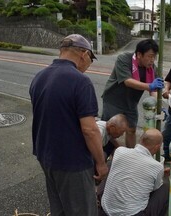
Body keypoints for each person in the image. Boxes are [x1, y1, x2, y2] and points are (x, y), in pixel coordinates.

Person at [29, 34, 108, 216]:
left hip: (45, 156)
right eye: (91, 59)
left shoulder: (39, 77)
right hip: (72, 162)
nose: (89, 64)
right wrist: (101, 164)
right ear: (84, 54)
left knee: (59, 208)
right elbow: (89, 130)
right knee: (82, 210)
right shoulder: (81, 82)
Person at [101, 39, 164, 148]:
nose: (152, 60)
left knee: (131, 129)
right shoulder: (124, 59)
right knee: (110, 129)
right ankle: (110, 152)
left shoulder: (152, 68)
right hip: (113, 100)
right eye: (149, 56)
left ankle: (130, 153)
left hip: (131, 103)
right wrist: (149, 86)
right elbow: (128, 81)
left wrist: (159, 106)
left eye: (154, 57)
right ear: (139, 54)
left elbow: (153, 90)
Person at [100, 128, 169, 216]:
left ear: (140, 139)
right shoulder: (157, 166)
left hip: (106, 210)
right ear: (157, 147)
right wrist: (161, 175)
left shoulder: (120, 151)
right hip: (132, 213)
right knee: (164, 188)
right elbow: (154, 188)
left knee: (111, 166)